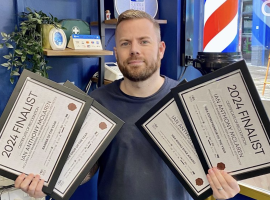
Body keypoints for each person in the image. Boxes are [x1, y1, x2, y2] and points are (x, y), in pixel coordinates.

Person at [14, 9, 240, 200]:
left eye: (144, 41)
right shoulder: (97, 103)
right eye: (125, 43)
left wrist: (223, 189)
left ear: (161, 49)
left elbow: (214, 167)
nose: (134, 50)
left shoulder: (190, 100)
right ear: (116, 52)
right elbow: (86, 168)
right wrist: (46, 181)